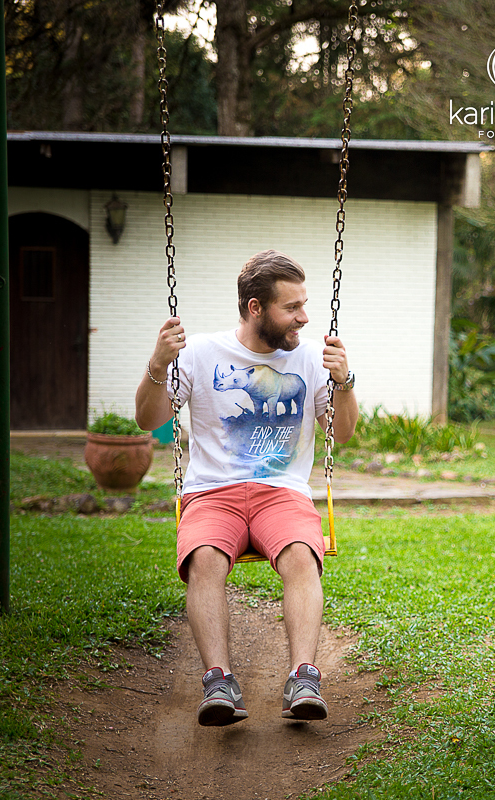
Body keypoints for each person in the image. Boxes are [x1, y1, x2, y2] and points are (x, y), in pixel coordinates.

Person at [135, 249, 359, 727]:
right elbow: (148, 418)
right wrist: (158, 363)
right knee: (205, 560)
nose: (304, 317)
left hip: (282, 493)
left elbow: (342, 432)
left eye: (304, 304)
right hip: (213, 493)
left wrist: (344, 381)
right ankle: (218, 680)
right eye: (291, 307)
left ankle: (304, 675)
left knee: (303, 555)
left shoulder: (311, 359)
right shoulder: (199, 353)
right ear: (256, 307)